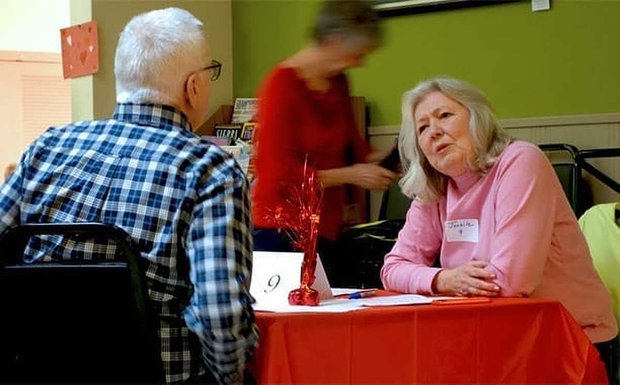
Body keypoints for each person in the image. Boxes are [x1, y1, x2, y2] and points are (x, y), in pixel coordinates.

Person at [0, 8, 257, 385]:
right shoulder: (210, 170)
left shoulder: (46, 147)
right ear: (193, 86)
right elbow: (220, 315)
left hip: (38, 372)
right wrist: (231, 378)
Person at [380, 77, 618, 384]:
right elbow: (392, 268)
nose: (434, 131)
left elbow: (512, 282)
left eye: (444, 116)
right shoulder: (435, 188)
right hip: (488, 339)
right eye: (422, 128)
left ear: (477, 119)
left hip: (568, 340)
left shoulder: (520, 161)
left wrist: (446, 283)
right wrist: (442, 278)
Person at [252, 0, 397, 286]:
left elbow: (356, 149)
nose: (360, 62)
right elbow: (279, 174)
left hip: (327, 228)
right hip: (281, 231)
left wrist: (393, 160)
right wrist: (352, 175)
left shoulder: (339, 82)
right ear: (334, 41)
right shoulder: (280, 86)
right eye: (357, 54)